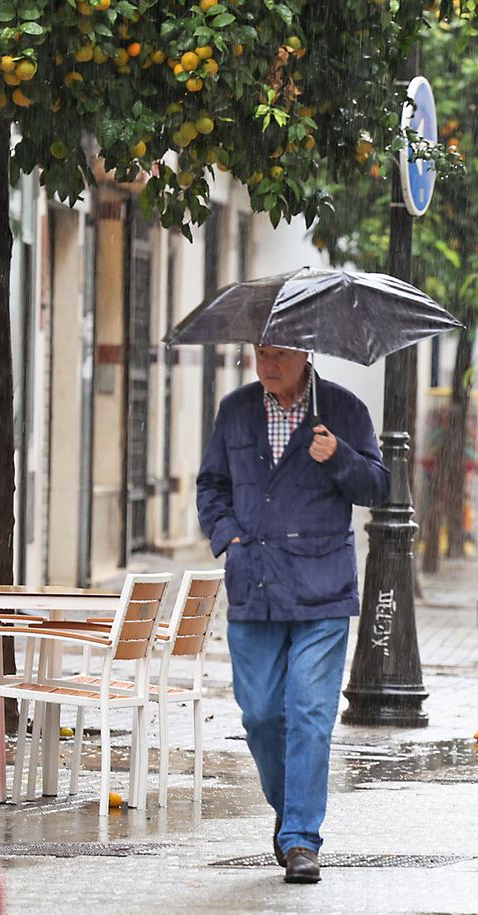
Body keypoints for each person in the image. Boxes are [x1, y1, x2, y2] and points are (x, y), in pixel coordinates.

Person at [197, 344, 389, 884]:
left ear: (305, 353)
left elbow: (379, 487)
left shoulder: (343, 409)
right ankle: (291, 812)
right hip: (254, 583)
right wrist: (228, 537)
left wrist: (342, 459)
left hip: (321, 588)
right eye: (260, 352)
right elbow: (211, 485)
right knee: (260, 714)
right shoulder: (235, 410)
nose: (268, 362)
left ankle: (302, 837)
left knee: (308, 712)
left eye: (279, 352)